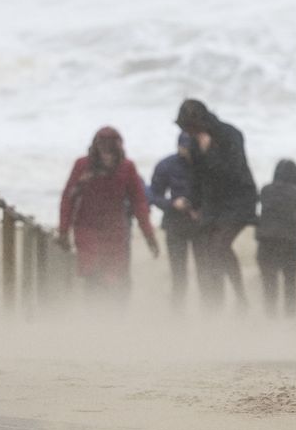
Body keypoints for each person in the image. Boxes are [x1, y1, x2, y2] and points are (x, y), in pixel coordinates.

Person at [175, 99, 258, 312]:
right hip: (214, 202)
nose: (188, 133)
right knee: (209, 251)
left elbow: (233, 173)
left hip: (239, 199)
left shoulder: (231, 135)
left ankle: (241, 300)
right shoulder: (194, 142)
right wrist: (192, 203)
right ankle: (215, 301)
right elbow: (197, 177)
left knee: (220, 245)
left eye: (190, 128)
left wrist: (208, 151)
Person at [58, 127, 159, 300]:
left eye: (111, 152)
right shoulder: (82, 165)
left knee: (115, 277)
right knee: (92, 272)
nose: (107, 157)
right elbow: (68, 198)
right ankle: (95, 317)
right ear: (95, 149)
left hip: (115, 231)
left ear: (118, 150)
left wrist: (149, 236)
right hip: (86, 227)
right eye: (103, 152)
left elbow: (139, 203)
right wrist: (63, 231)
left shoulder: (127, 167)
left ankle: (116, 318)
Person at [256, 159, 296, 318]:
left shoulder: (266, 190)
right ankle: (290, 315)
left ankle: (270, 315)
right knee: (290, 281)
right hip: (290, 240)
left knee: (269, 280)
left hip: (266, 239)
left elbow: (255, 204)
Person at [148, 133, 197, 309]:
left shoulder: (207, 165)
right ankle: (178, 311)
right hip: (175, 223)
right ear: (178, 146)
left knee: (205, 270)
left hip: (201, 224)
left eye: (191, 148)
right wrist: (172, 204)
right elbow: (153, 195)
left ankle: (210, 311)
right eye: (184, 148)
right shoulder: (166, 165)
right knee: (178, 272)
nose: (188, 152)